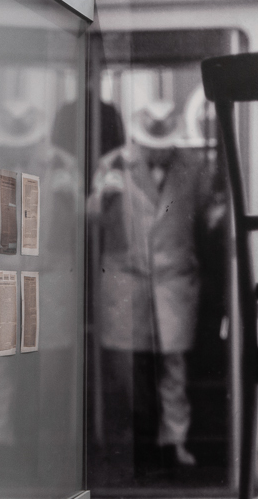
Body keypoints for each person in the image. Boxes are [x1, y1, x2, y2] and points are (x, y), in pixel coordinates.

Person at [90, 96, 225, 469]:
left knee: (173, 366)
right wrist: (102, 197)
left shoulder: (193, 166)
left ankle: (175, 441)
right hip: (126, 279)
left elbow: (206, 214)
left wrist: (223, 216)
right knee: (127, 368)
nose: (159, 152)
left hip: (173, 279)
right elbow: (90, 218)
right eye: (152, 144)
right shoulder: (114, 164)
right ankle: (133, 441)